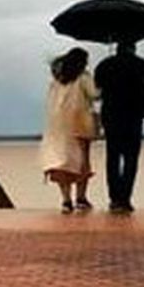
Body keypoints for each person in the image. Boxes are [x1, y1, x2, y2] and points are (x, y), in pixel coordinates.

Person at [94, 39, 144, 213]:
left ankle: (114, 198)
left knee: (112, 158)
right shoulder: (140, 64)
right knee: (131, 159)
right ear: (133, 48)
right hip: (133, 117)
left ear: (117, 48)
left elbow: (97, 88)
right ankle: (125, 198)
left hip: (111, 116)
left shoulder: (105, 64)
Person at [39, 47, 98, 214]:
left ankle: (66, 200)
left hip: (57, 126)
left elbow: (49, 102)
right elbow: (95, 94)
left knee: (62, 163)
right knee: (82, 162)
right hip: (80, 124)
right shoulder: (83, 77)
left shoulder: (56, 80)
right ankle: (81, 198)